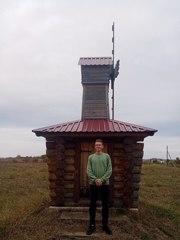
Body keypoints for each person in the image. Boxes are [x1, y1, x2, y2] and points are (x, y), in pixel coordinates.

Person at [86, 139, 112, 235]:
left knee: (105, 205)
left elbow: (109, 170)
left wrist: (102, 180)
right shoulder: (91, 157)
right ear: (94, 146)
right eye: (96, 145)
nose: (98, 146)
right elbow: (88, 170)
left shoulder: (107, 156)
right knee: (92, 205)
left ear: (102, 146)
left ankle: (105, 225)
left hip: (104, 184)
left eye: (99, 145)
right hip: (93, 184)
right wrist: (96, 179)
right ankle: (92, 225)